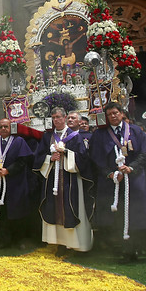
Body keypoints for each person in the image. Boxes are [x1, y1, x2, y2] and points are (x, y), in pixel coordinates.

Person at [89, 102, 146, 263]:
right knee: (119, 217)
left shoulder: (135, 131)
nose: (113, 116)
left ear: (122, 113)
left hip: (135, 179)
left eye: (115, 113)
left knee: (140, 213)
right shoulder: (100, 134)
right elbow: (96, 158)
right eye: (109, 114)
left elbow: (144, 153)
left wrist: (132, 168)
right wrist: (110, 173)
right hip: (113, 182)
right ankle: (128, 250)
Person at [34, 108, 93, 254]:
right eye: (53, 117)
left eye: (58, 117)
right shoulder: (48, 136)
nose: (56, 120)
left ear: (65, 117)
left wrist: (65, 152)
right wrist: (49, 158)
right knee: (54, 208)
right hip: (53, 178)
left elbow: (83, 158)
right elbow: (38, 157)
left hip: (70, 178)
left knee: (69, 208)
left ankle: (73, 243)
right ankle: (59, 243)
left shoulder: (75, 136)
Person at [0, 118, 34, 249]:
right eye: (1, 127)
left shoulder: (19, 141)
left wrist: (9, 170)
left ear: (11, 128)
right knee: (1, 213)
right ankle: (3, 240)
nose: (3, 129)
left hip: (14, 182)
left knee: (17, 212)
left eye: (6, 127)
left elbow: (23, 161)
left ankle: (19, 240)